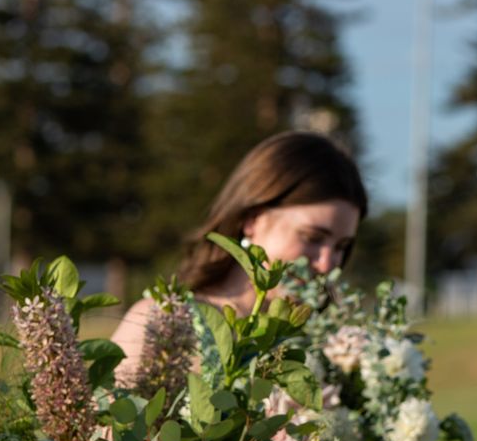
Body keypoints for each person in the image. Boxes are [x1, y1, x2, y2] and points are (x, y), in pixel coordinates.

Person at [113, 130, 367, 371]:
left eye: (341, 247)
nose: (327, 264)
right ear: (252, 219)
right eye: (312, 237)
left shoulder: (335, 349)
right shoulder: (165, 324)